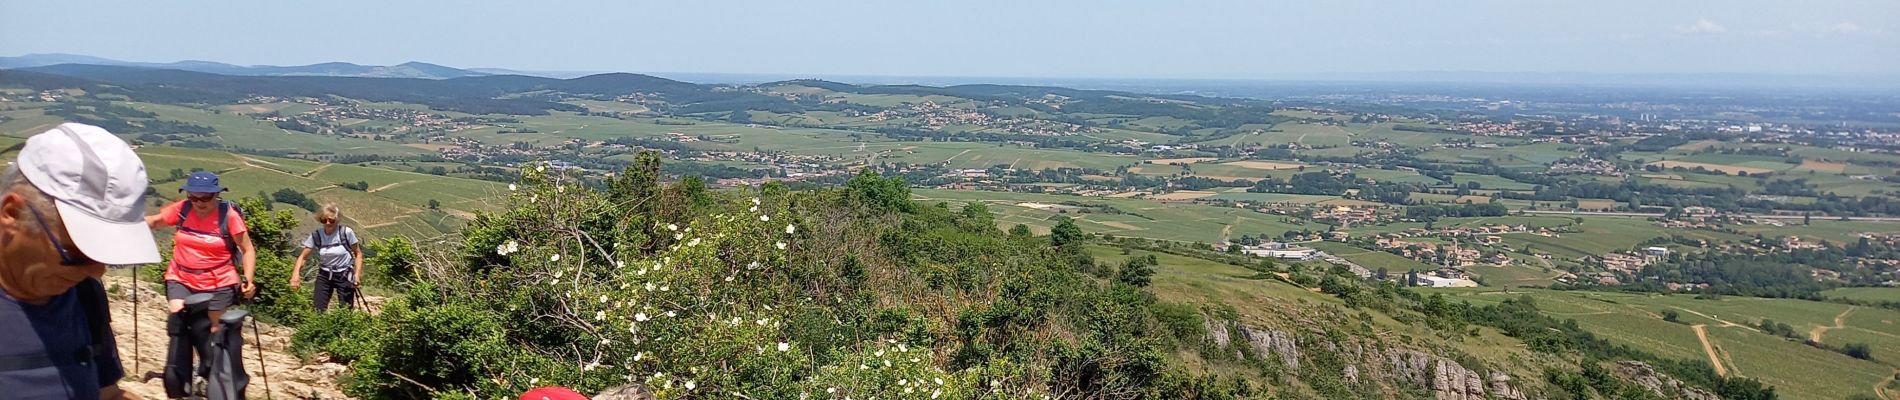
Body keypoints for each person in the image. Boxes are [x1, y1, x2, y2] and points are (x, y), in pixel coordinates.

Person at [0, 122, 161, 399]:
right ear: (12, 213)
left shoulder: (84, 296)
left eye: (105, 255)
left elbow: (105, 393)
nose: (96, 271)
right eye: (77, 253)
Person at [145, 171, 256, 334]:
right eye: (194, 197)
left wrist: (249, 280)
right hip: (180, 277)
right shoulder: (183, 208)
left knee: (212, 332)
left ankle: (210, 359)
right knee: (179, 321)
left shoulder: (229, 216)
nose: (199, 202)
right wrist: (129, 222)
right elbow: (155, 221)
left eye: (205, 197)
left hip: (219, 281)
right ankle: (184, 359)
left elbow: (248, 250)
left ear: (216, 194)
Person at [290, 204, 363, 311]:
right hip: (324, 275)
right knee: (318, 309)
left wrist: (356, 275)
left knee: (346, 310)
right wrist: (295, 275)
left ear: (337, 220)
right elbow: (303, 257)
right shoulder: (316, 236)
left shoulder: (346, 233)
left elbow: (358, 254)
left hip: (344, 274)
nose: (328, 223)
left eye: (331, 220)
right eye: (324, 220)